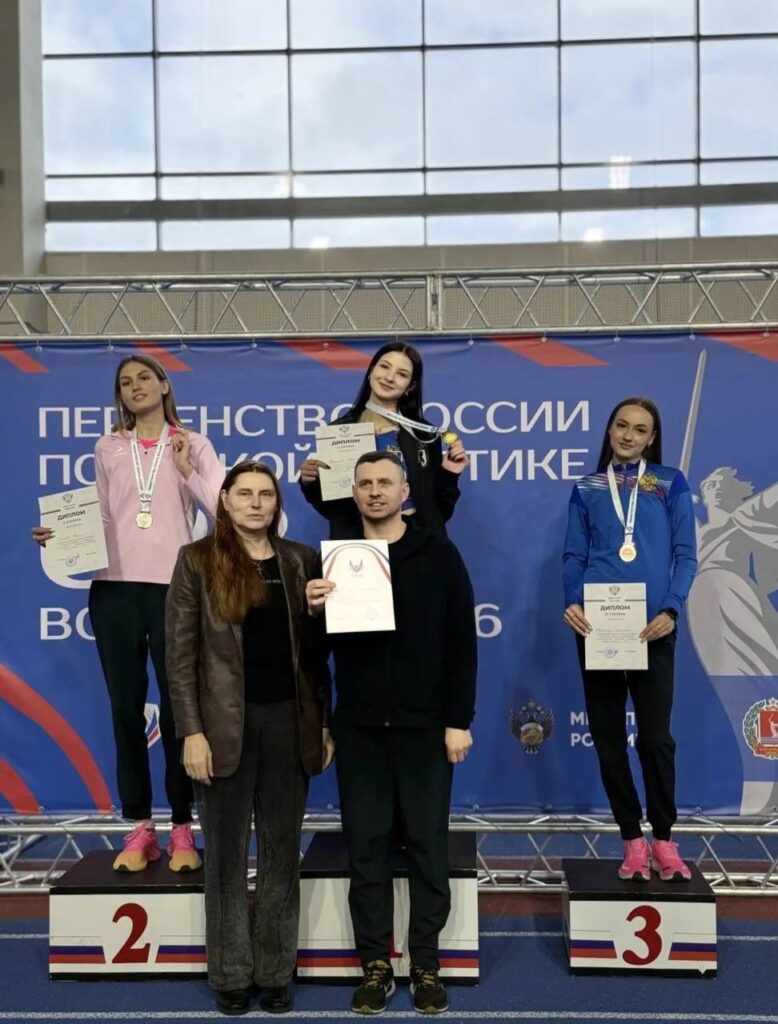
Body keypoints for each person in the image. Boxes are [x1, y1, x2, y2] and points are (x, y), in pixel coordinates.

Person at [32, 354, 224, 872]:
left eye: (144, 378)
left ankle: (182, 827)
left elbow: (221, 509)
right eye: (124, 382)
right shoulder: (108, 446)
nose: (135, 387)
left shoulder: (194, 443)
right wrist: (60, 535)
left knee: (181, 710)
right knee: (126, 709)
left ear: (164, 385)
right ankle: (139, 827)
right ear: (119, 395)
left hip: (175, 589)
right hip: (113, 590)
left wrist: (186, 470)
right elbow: (99, 512)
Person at [306, 451, 477, 1016]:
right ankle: (375, 966)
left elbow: (462, 644)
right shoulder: (337, 560)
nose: (375, 491)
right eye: (365, 483)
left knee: (428, 848)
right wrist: (314, 613)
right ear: (353, 493)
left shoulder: (439, 554)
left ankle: (425, 964)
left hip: (426, 728)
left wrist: (458, 721)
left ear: (406, 492)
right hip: (359, 730)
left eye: (385, 482)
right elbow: (316, 656)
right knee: (367, 850)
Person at [166, 460, 334, 1017]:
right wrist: (192, 732)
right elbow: (180, 658)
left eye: (265, 494)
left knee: (283, 853)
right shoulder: (195, 560)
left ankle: (276, 972)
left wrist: (323, 722)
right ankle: (232, 974)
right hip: (221, 730)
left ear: (276, 503)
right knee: (226, 858)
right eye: (245, 494)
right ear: (225, 501)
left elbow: (316, 656)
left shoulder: (300, 559)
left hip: (289, 724)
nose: (256, 503)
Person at [562, 397, 697, 883]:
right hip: (598, 626)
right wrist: (572, 601)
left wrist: (671, 609)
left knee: (656, 739)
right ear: (610, 429)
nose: (629, 435)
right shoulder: (587, 487)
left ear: (651, 438)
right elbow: (574, 556)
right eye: (622, 425)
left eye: (640, 429)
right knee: (608, 739)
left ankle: (663, 838)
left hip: (653, 627)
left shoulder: (668, 483)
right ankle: (632, 840)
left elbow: (686, 555)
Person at [299, 341, 469, 539]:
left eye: (402, 374)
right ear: (371, 371)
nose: (389, 378)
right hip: (358, 542)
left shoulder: (423, 434)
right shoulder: (337, 432)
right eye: (385, 366)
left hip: (416, 541)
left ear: (410, 386)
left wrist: (449, 474)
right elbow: (333, 509)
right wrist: (310, 482)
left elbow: (440, 510)